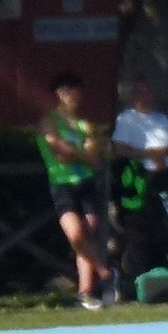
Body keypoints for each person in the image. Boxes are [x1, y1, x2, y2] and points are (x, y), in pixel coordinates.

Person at [38, 72, 116, 309]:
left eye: (75, 91)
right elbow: (57, 152)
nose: (71, 96)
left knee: (89, 232)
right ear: (58, 94)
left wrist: (74, 152)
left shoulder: (85, 125)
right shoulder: (49, 121)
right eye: (66, 91)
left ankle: (85, 292)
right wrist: (78, 153)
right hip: (62, 184)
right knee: (75, 235)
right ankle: (104, 271)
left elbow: (94, 159)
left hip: (86, 183)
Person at [110, 77, 168, 285]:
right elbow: (120, 149)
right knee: (150, 229)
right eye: (140, 92)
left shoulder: (161, 119)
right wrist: (149, 155)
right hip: (148, 179)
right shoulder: (127, 119)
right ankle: (145, 276)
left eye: (148, 92)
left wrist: (163, 153)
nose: (145, 97)